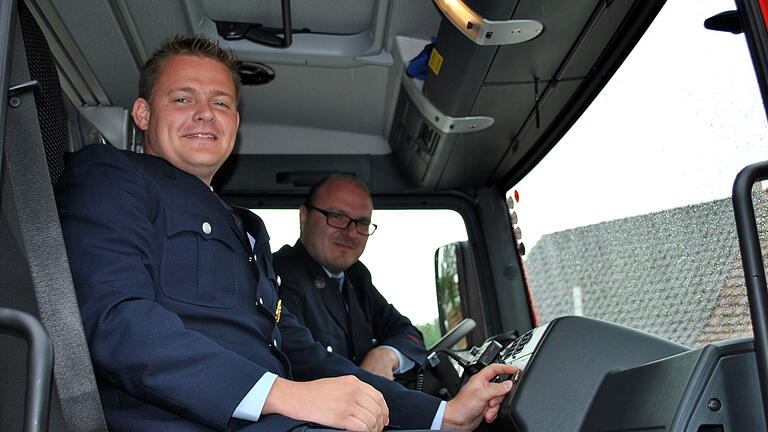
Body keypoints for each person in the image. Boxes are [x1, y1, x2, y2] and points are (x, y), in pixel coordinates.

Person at [55, 34, 517, 432]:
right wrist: (282, 395)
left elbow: (307, 356)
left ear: (235, 123)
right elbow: (114, 319)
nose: (204, 114)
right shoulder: (112, 176)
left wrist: (443, 415)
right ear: (142, 114)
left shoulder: (245, 230)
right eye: (182, 98)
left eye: (220, 103)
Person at [273, 174, 427, 381]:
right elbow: (301, 364)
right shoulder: (277, 275)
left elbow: (406, 332)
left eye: (362, 223)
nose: (352, 233)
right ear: (304, 216)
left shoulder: (356, 277)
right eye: (337, 216)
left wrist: (386, 355)